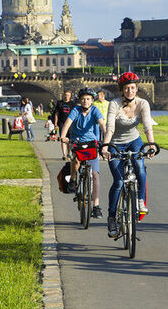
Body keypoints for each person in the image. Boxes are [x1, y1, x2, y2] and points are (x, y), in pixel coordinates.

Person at [101, 72, 155, 237]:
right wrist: (105, 146)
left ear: (136, 88)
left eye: (132, 88)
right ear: (122, 89)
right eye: (126, 88)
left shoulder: (143, 103)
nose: (130, 91)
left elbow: (147, 125)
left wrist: (151, 143)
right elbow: (110, 127)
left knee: (139, 166)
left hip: (134, 141)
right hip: (115, 143)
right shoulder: (114, 104)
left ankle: (140, 200)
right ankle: (112, 218)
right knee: (118, 181)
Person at [60, 88, 107, 219]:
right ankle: (73, 181)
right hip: (77, 141)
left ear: (92, 100)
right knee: (75, 160)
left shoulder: (95, 111)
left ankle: (96, 206)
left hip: (92, 143)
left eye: (88, 99)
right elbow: (68, 123)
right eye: (83, 99)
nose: (85, 101)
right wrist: (63, 137)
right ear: (80, 101)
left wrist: (106, 138)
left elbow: (102, 124)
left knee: (95, 174)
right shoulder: (76, 110)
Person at [51, 90, 76, 162]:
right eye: (65, 95)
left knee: (69, 140)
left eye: (68, 95)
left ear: (70, 96)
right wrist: (55, 123)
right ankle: (64, 154)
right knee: (63, 138)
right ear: (63, 95)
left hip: (70, 124)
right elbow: (56, 114)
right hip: (61, 123)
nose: (66, 96)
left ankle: (68, 153)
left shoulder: (72, 104)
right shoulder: (60, 103)